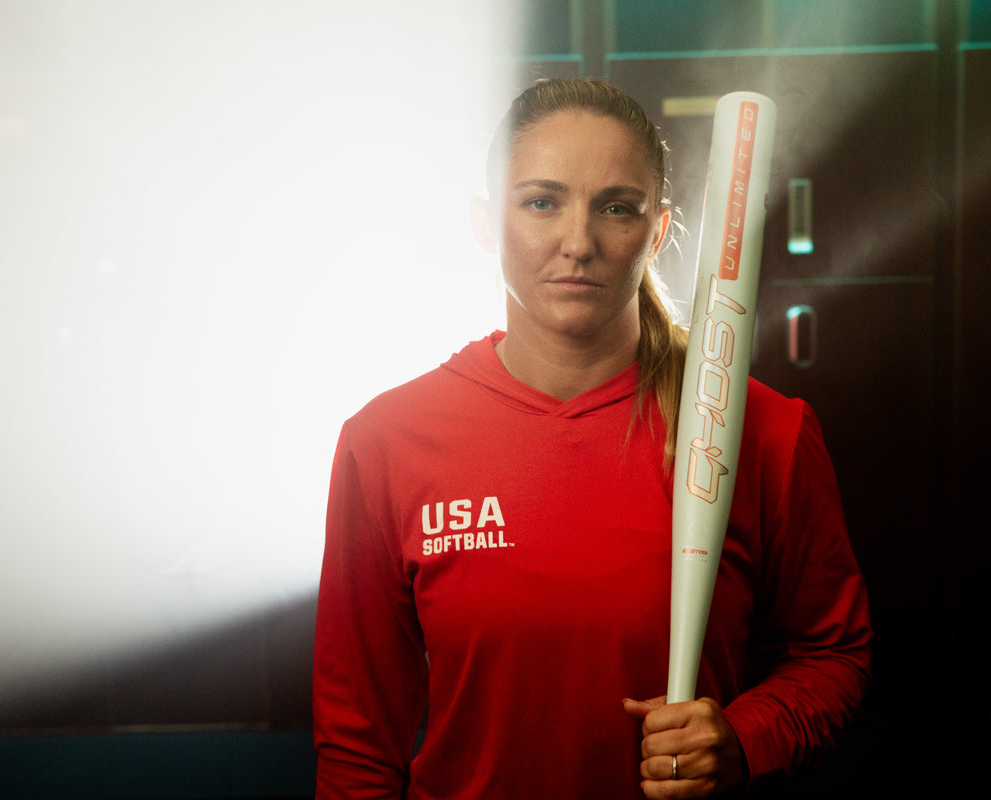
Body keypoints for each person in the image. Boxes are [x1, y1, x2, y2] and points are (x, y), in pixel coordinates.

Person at [312, 77, 871, 799]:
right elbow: (358, 736)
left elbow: (833, 653)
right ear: (487, 223)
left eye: (616, 207)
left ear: (658, 230)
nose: (578, 242)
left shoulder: (762, 431)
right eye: (541, 201)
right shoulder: (385, 442)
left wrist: (742, 739)